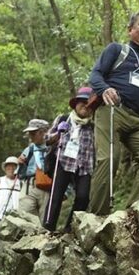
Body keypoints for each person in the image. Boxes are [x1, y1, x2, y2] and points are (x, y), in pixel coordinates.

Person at [87, 10, 139, 216]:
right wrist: (104, 89)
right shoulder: (117, 50)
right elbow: (95, 74)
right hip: (113, 109)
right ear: (130, 30)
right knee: (109, 158)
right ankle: (97, 217)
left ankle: (134, 215)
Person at [43, 86, 97, 231]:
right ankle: (48, 228)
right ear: (76, 104)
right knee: (56, 196)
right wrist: (58, 133)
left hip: (84, 166)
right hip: (63, 161)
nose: (85, 106)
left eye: (88, 103)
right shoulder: (64, 119)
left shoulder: (94, 125)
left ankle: (69, 229)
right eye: (82, 102)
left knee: (83, 197)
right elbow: (47, 139)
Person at [17, 118, 51, 222]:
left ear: (43, 132)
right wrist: (21, 164)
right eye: (29, 134)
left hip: (48, 188)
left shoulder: (54, 148)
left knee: (44, 221)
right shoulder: (29, 149)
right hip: (29, 186)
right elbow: (20, 175)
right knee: (23, 217)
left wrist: (66, 192)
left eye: (33, 133)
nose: (31, 137)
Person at [0, 157, 24, 226]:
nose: (11, 169)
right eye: (8, 167)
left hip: (13, 222)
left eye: (14, 167)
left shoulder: (21, 184)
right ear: (5, 168)